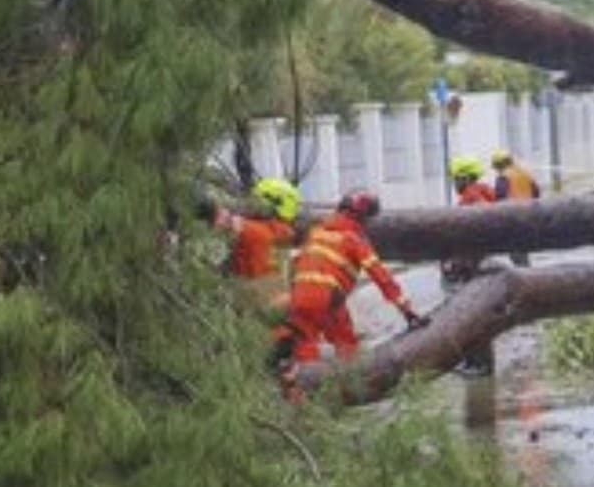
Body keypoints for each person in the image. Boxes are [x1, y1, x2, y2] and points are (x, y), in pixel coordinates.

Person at [274, 189, 426, 383]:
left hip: (299, 296)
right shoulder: (354, 240)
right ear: (363, 218)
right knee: (346, 346)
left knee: (304, 343)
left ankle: (299, 393)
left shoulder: (317, 232)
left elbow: (296, 264)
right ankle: (351, 386)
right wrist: (407, 311)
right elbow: (381, 277)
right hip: (328, 299)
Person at [198, 178, 300, 306]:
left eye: (256, 202)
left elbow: (225, 221)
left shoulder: (253, 231)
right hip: (268, 305)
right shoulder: (284, 238)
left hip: (246, 304)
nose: (250, 207)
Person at [443, 156, 496, 376]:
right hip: (473, 264)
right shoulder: (482, 194)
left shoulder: (473, 199)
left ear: (464, 178)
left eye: (456, 180)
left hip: (470, 266)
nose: (455, 185)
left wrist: (456, 262)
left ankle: (479, 365)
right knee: (470, 314)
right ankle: (474, 361)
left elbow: (470, 234)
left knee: (471, 315)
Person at [491, 150, 541, 267]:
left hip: (513, 218)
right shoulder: (524, 174)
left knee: (517, 254)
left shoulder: (503, 178)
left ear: (499, 165)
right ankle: (528, 274)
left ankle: (526, 278)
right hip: (529, 216)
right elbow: (536, 193)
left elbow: (500, 199)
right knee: (522, 251)